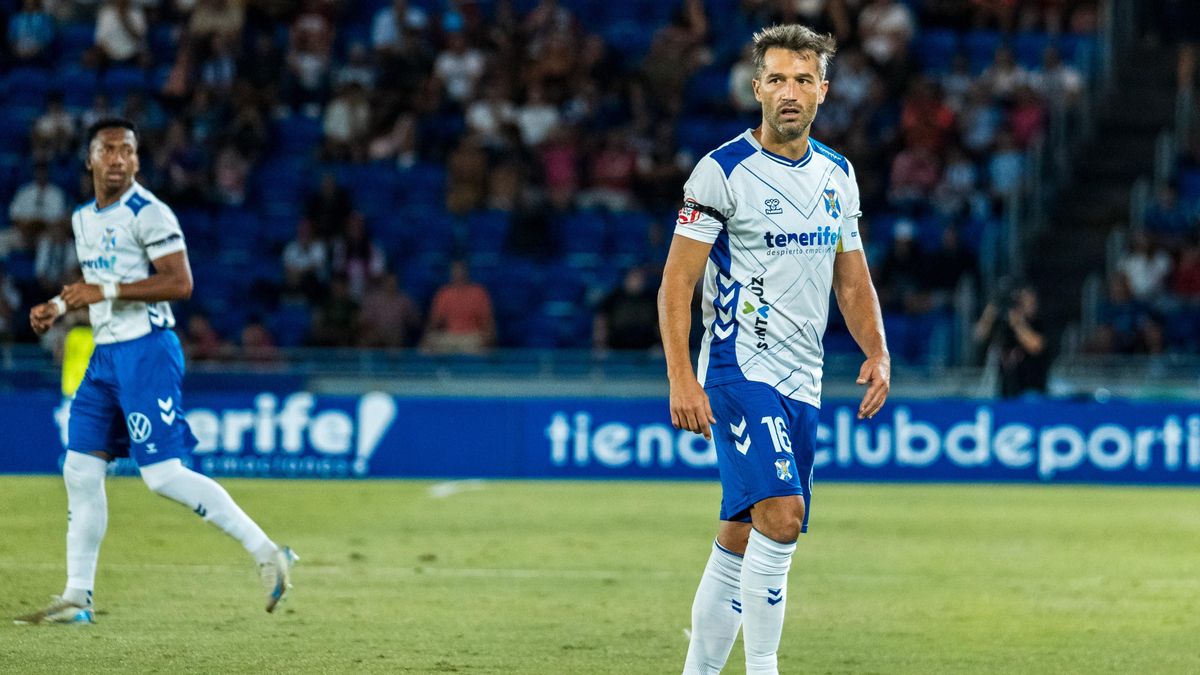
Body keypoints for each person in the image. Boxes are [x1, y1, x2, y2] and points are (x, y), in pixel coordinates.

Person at [658, 26, 889, 675]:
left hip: (803, 378)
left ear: (824, 90)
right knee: (784, 518)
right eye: (778, 78)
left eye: (803, 79)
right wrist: (682, 376)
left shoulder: (838, 174)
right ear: (757, 87)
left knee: (740, 533)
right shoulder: (722, 171)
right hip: (739, 369)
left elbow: (852, 278)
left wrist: (877, 349)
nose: (790, 91)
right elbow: (677, 282)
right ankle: (764, 668)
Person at [16, 119, 296, 626]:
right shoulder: (82, 218)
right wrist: (59, 305)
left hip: (146, 350)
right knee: (79, 470)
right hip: (105, 355)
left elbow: (180, 283)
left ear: (138, 161)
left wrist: (103, 293)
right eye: (108, 150)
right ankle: (77, 597)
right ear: (90, 159)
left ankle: (267, 552)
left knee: (163, 476)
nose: (118, 159)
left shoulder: (149, 212)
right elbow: (100, 283)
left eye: (127, 150)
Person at [973, 281, 1048, 397]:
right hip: (1004, 390)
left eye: (1032, 301)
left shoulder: (1039, 323)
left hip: (1032, 390)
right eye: (1023, 301)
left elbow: (1036, 346)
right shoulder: (1004, 324)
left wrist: (1017, 324)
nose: (1029, 304)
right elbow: (979, 335)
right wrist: (991, 310)